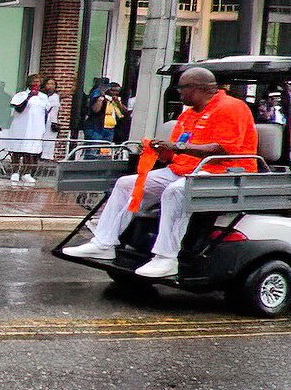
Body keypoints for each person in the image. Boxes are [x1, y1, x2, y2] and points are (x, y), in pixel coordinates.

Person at [63, 67, 259, 278]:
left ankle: (166, 258)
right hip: (184, 170)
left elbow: (224, 148)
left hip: (223, 172)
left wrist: (178, 148)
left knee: (175, 192)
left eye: (182, 88)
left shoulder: (231, 107)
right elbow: (174, 153)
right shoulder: (188, 115)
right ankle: (104, 243)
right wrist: (160, 150)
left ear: (198, 88)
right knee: (126, 184)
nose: (179, 93)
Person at [1, 74, 56, 184]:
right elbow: (17, 106)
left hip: (35, 127)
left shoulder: (43, 97)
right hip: (21, 126)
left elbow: (46, 112)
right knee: (17, 150)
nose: (36, 83)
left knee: (31, 151)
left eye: (38, 81)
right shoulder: (21, 94)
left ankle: (27, 173)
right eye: (34, 81)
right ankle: (15, 172)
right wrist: (29, 96)